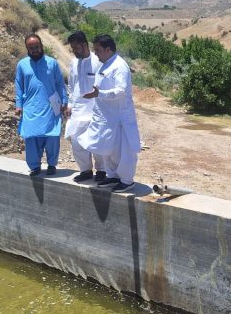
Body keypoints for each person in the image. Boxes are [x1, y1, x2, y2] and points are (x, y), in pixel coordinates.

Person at [77, 34, 141, 193]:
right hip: (106, 118)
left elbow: (121, 91)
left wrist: (99, 94)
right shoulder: (104, 64)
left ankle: (126, 180)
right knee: (107, 149)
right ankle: (112, 176)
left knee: (123, 151)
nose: (95, 53)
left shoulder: (120, 66)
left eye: (98, 50)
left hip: (119, 118)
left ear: (108, 49)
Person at [14, 34, 67, 176]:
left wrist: (64, 101)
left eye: (36, 47)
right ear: (27, 48)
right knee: (31, 138)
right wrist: (18, 105)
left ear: (41, 46)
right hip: (31, 107)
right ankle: (34, 166)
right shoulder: (22, 65)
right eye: (31, 48)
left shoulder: (52, 63)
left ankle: (51, 165)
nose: (34, 50)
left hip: (50, 107)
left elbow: (60, 84)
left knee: (52, 137)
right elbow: (18, 86)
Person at [64, 31, 105, 183]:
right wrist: (69, 104)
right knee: (77, 142)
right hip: (77, 110)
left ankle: (102, 171)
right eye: (72, 48)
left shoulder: (97, 61)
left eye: (77, 48)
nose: (74, 51)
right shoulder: (74, 62)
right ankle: (86, 170)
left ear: (85, 45)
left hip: (95, 111)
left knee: (96, 141)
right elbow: (72, 85)